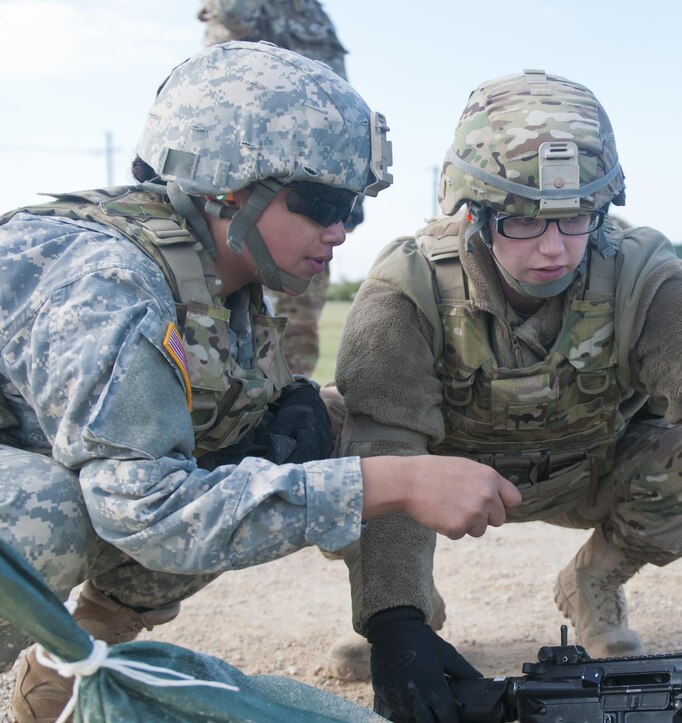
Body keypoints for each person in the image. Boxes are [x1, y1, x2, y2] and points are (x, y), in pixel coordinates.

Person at [332, 70, 682, 722]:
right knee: (335, 446)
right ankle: (406, 603)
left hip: (591, 470)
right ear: (473, 212)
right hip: (445, 482)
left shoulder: (638, 271)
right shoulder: (409, 284)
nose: (554, 247)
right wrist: (394, 623)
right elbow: (385, 444)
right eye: (523, 220)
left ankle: (593, 583)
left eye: (577, 216)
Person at [0, 42, 519, 723]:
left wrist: (397, 624)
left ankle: (73, 657)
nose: (339, 229)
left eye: (352, 208)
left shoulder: (221, 277)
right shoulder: (110, 284)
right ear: (225, 189)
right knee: (37, 514)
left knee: (273, 442)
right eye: (320, 201)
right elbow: (150, 514)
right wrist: (395, 483)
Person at [197, 0, 362, 376]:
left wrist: (339, 201)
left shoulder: (314, 12)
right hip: (260, 191)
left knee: (298, 325)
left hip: (315, 197)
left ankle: (288, 399)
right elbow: (222, 77)